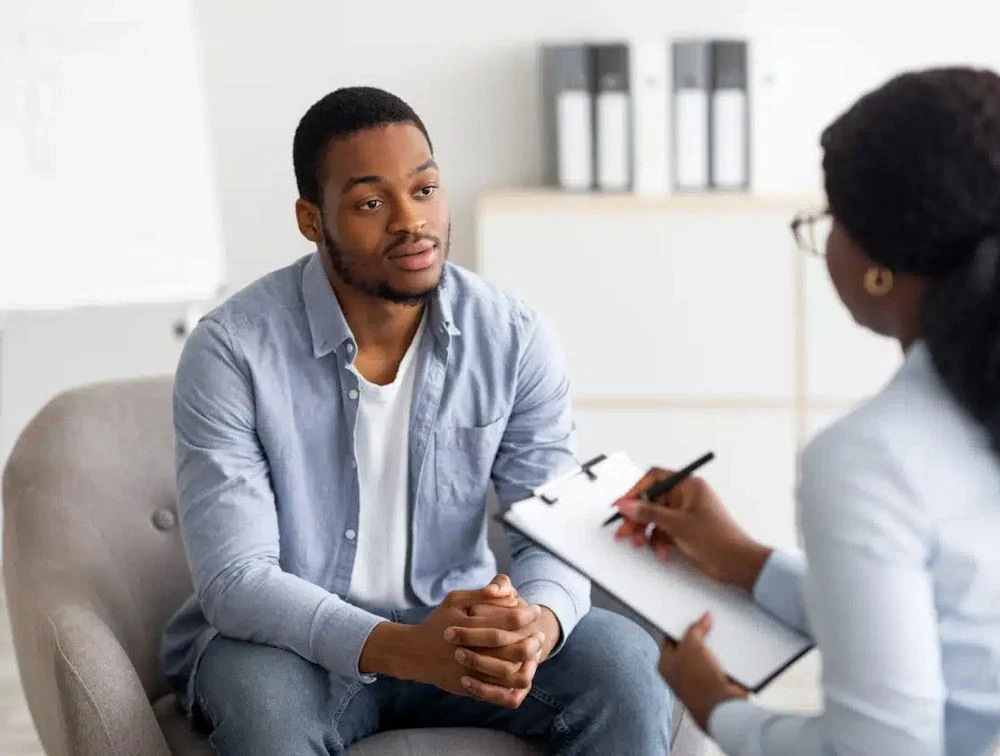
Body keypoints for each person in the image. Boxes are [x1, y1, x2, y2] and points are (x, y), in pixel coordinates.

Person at [160, 86, 672, 755]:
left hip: (453, 628)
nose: (412, 221)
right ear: (312, 220)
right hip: (292, 645)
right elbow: (238, 581)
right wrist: (404, 650)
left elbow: (555, 525)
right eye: (372, 203)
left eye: (425, 189)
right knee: (266, 718)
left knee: (628, 667)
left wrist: (538, 625)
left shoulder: (513, 336)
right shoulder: (231, 351)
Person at [615, 66, 1000, 756]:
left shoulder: (872, 457)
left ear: (879, 264)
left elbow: (881, 751)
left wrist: (718, 706)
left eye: (829, 218)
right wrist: (742, 559)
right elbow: (943, 633)